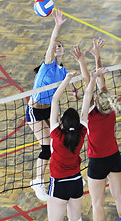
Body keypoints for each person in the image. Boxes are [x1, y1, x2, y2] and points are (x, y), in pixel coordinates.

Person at [26, 9, 80, 201]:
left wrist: (74, 90)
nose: (57, 47)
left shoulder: (62, 69)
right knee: (46, 146)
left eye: (60, 46)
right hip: (35, 111)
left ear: (63, 51)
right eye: (55, 46)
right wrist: (57, 27)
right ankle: (38, 181)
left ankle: (62, 174)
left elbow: (68, 77)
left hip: (49, 110)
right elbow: (52, 41)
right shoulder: (47, 63)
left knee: (59, 143)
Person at [70, 37, 121, 221]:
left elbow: (88, 84)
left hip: (97, 162)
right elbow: (100, 83)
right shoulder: (112, 110)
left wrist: (81, 60)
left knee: (97, 203)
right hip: (115, 157)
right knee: (119, 199)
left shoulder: (90, 114)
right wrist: (96, 56)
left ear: (96, 104)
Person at [47, 68, 108, 221]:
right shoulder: (81, 134)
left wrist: (66, 79)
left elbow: (54, 100)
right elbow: (87, 98)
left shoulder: (57, 134)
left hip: (59, 184)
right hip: (76, 183)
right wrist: (92, 78)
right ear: (77, 123)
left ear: (62, 123)